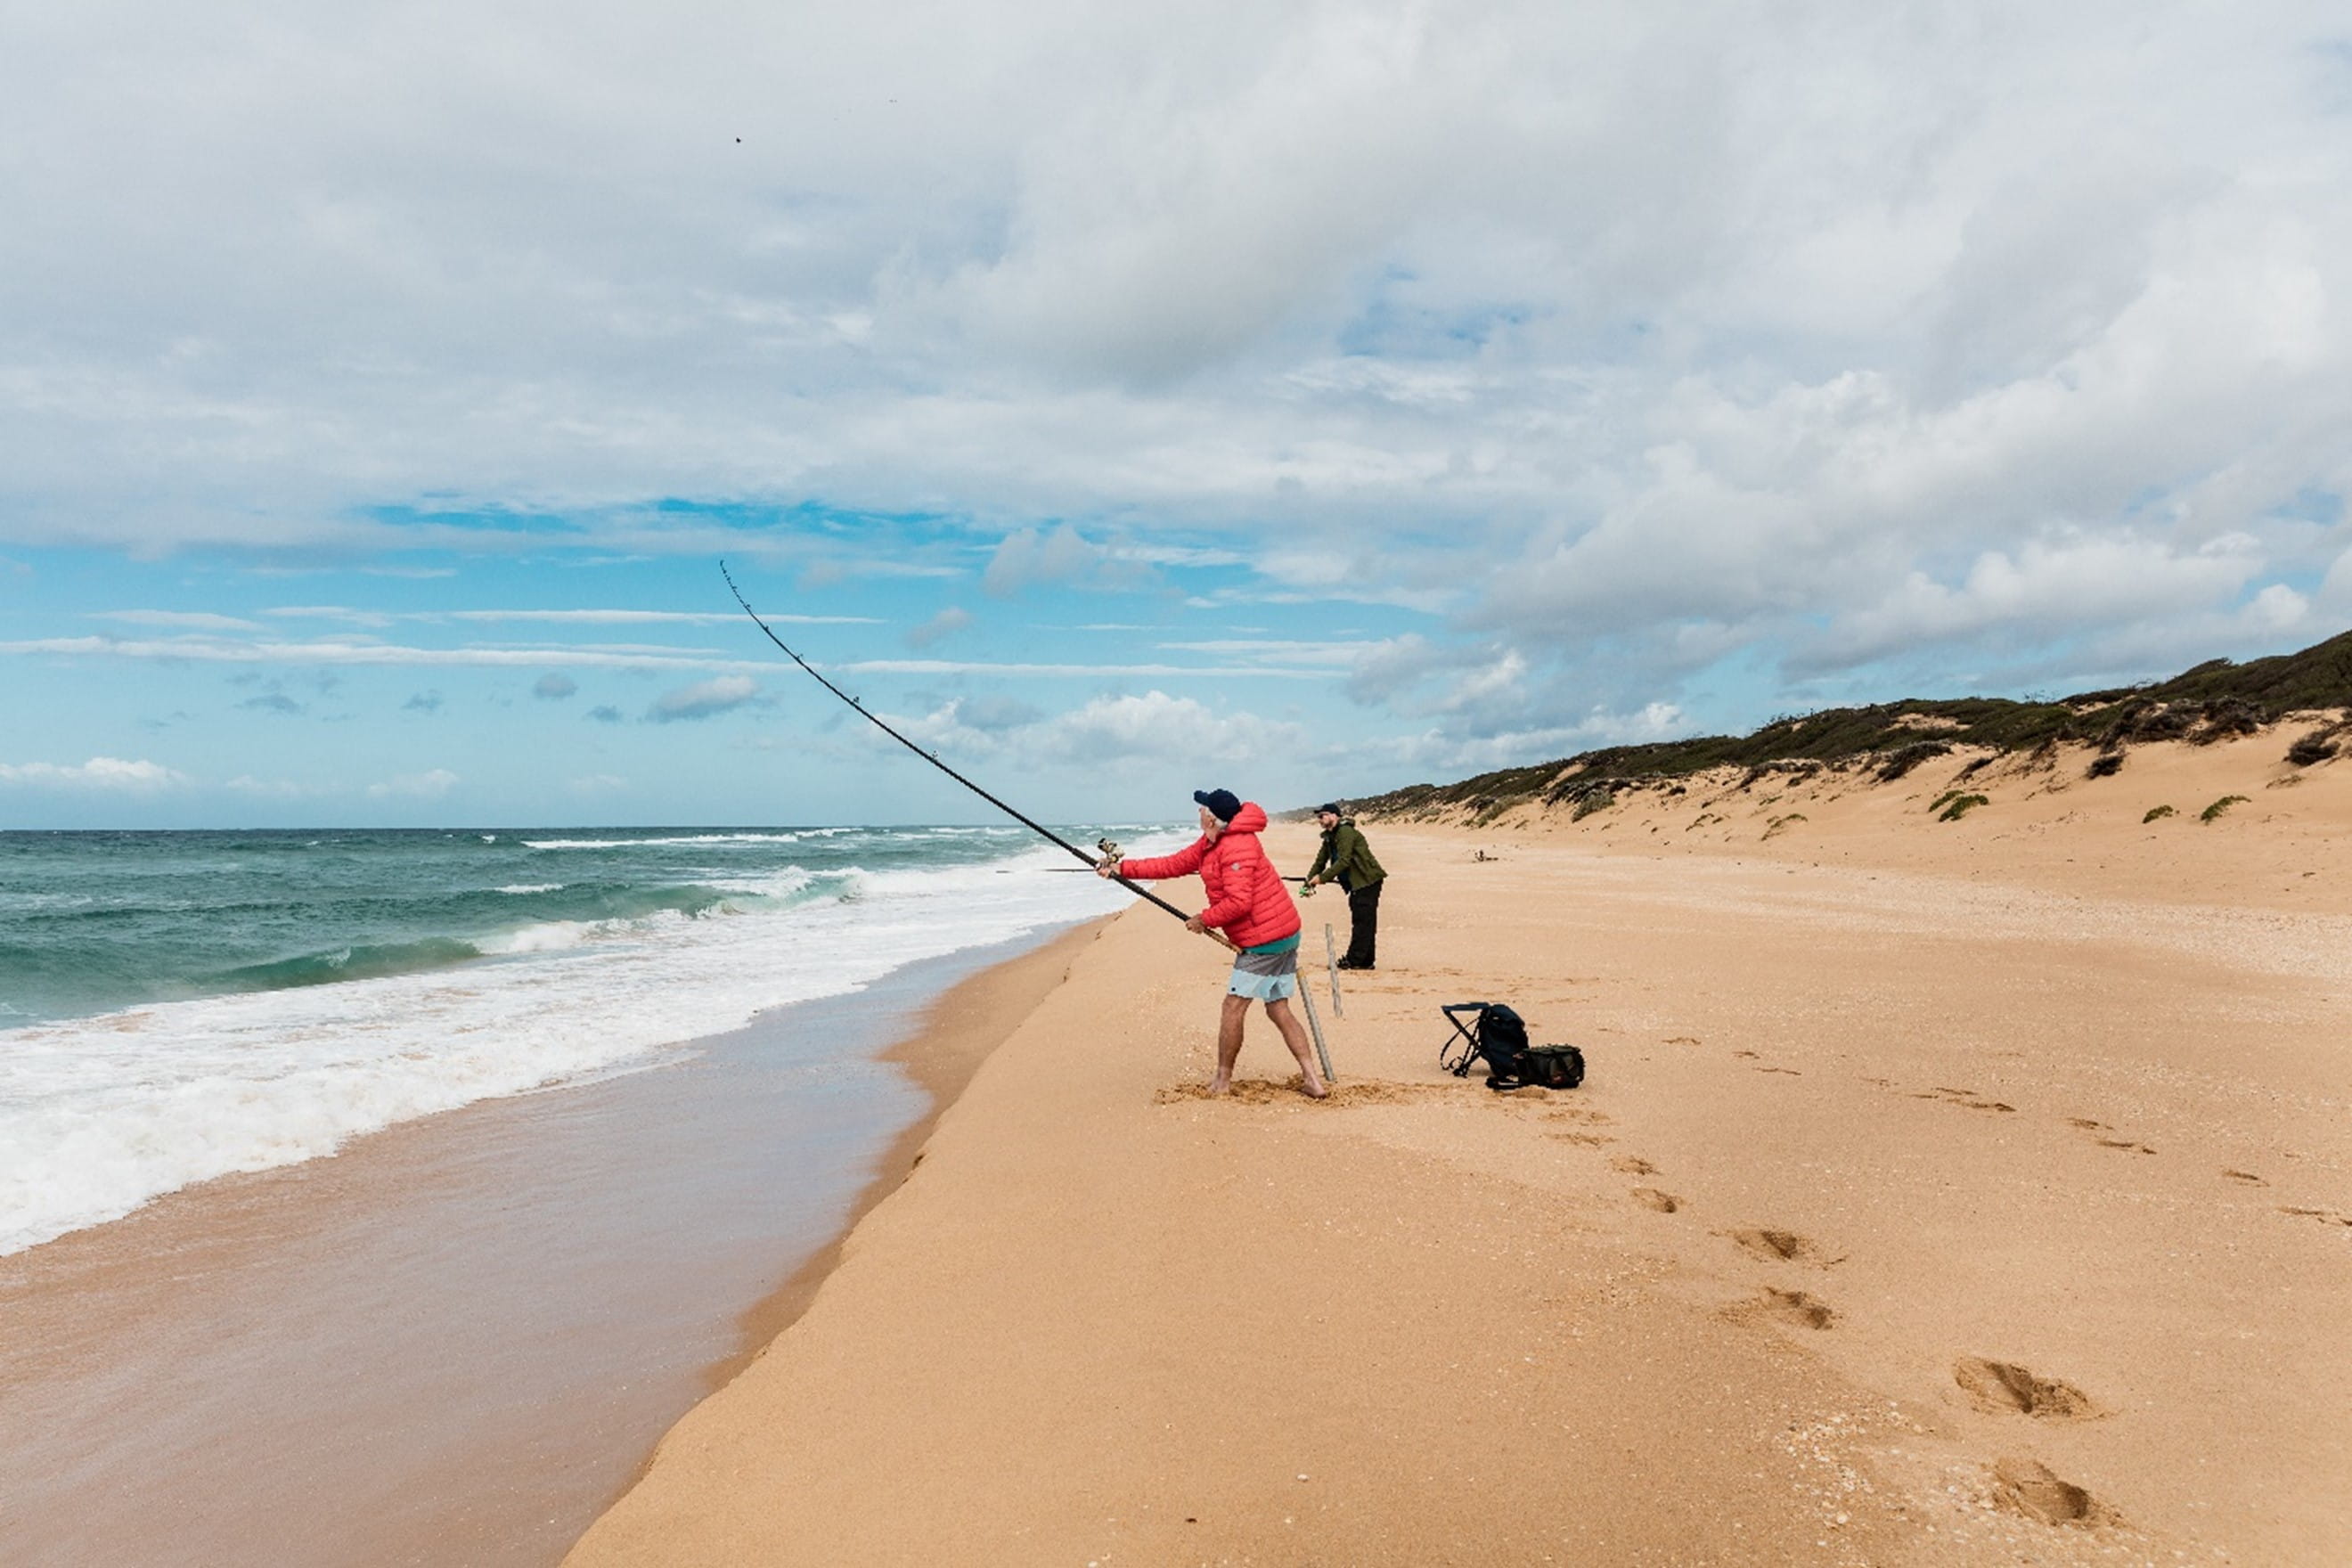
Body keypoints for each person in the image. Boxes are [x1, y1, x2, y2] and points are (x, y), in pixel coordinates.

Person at [1100, 788, 1328, 1099]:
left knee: (1233, 1008)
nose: (1198, 812)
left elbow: (1239, 903)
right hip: (1281, 933)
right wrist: (1122, 869)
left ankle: (1223, 1080)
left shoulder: (1236, 847)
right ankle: (1312, 1080)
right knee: (1278, 1008)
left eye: (1202, 808)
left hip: (1265, 939)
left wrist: (1204, 919)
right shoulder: (1213, 841)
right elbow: (1173, 864)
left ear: (1211, 817)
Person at [1302, 802, 1386, 969]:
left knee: (1362, 921)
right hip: (1356, 884)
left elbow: (1344, 860)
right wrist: (1309, 883)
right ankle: (1366, 961)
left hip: (1367, 881)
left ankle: (1355, 960)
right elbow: (1320, 862)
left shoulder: (1345, 832)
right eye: (1318, 817)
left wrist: (1323, 878)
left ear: (1334, 816)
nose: (1320, 819)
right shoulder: (1329, 837)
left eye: (1322, 816)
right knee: (1364, 921)